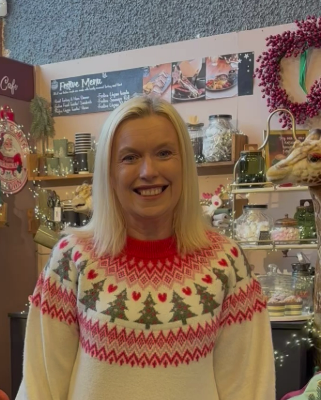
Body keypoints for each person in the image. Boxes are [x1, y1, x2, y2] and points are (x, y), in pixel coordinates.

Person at [16, 96, 275, 400]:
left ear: (185, 164)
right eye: (130, 157)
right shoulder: (71, 258)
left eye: (164, 153)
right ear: (109, 173)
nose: (148, 171)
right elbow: (40, 386)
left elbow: (249, 388)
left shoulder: (226, 262)